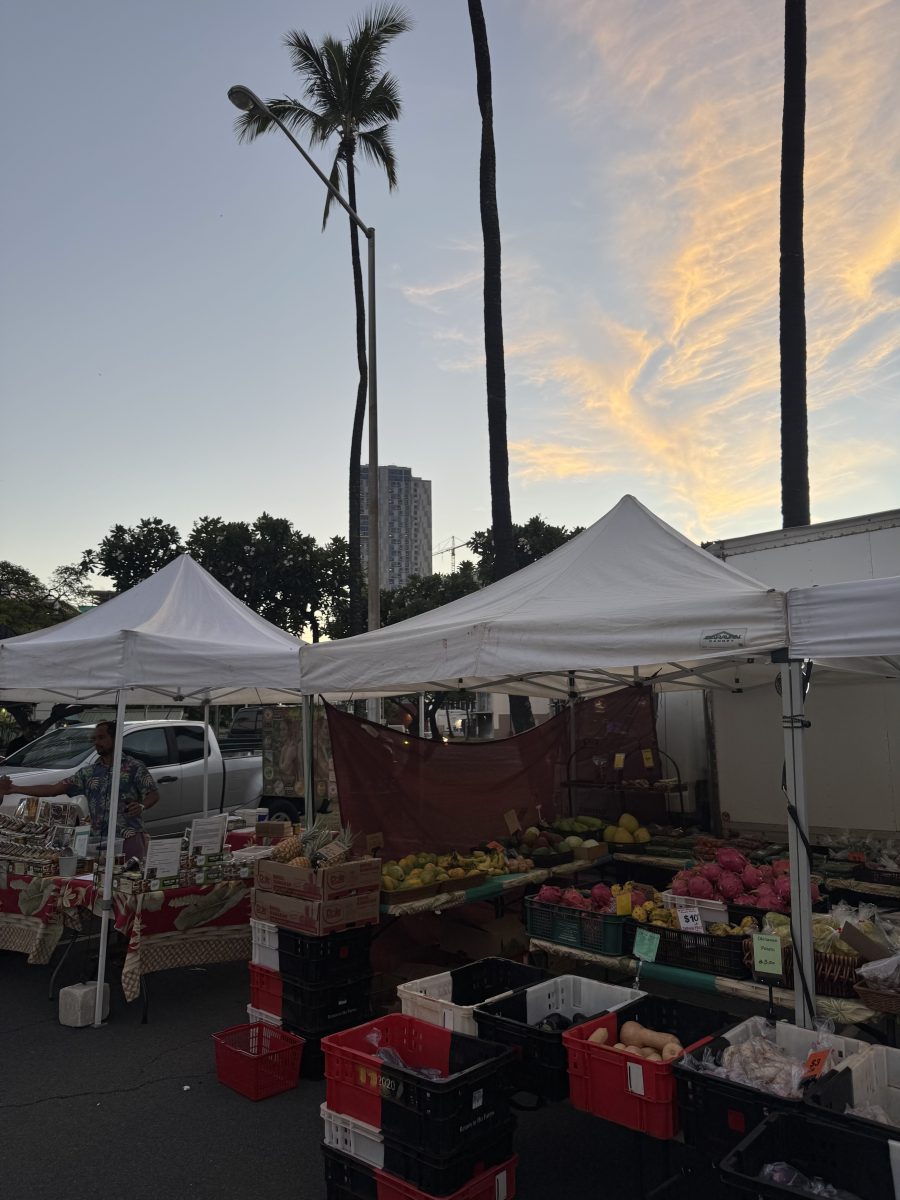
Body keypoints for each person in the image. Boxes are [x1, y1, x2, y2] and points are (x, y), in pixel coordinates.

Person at [0, 720, 159, 860]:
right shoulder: (88, 773)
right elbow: (54, 789)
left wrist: (142, 806)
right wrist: (16, 788)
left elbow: (153, 794)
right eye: (95, 738)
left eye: (101, 737)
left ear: (116, 739)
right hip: (99, 840)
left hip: (128, 837)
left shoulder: (134, 767)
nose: (97, 742)